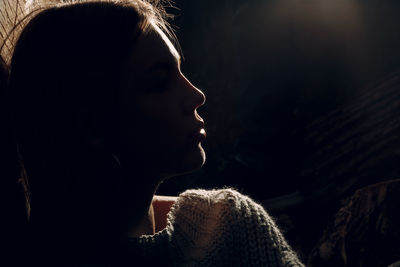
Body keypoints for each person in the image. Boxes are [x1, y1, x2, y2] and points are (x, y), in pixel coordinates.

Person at [0, 0, 304, 266]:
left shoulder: (229, 225)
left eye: (181, 72)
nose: (196, 96)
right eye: (159, 82)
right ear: (92, 125)